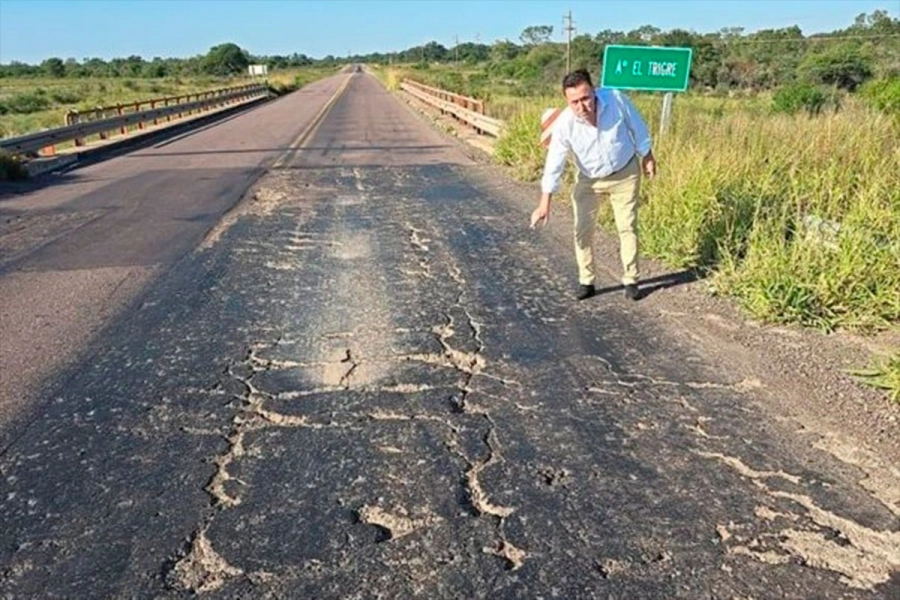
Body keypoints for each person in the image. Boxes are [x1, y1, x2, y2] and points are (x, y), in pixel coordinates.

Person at [531, 68, 656, 301]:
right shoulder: (566, 124)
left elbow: (637, 126)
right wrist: (544, 203)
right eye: (574, 102)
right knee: (582, 230)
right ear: (567, 101)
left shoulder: (616, 99)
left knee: (627, 226)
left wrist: (647, 155)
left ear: (594, 91)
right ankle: (586, 280)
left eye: (585, 98)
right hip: (589, 179)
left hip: (625, 173)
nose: (582, 107)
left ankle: (631, 279)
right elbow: (554, 163)